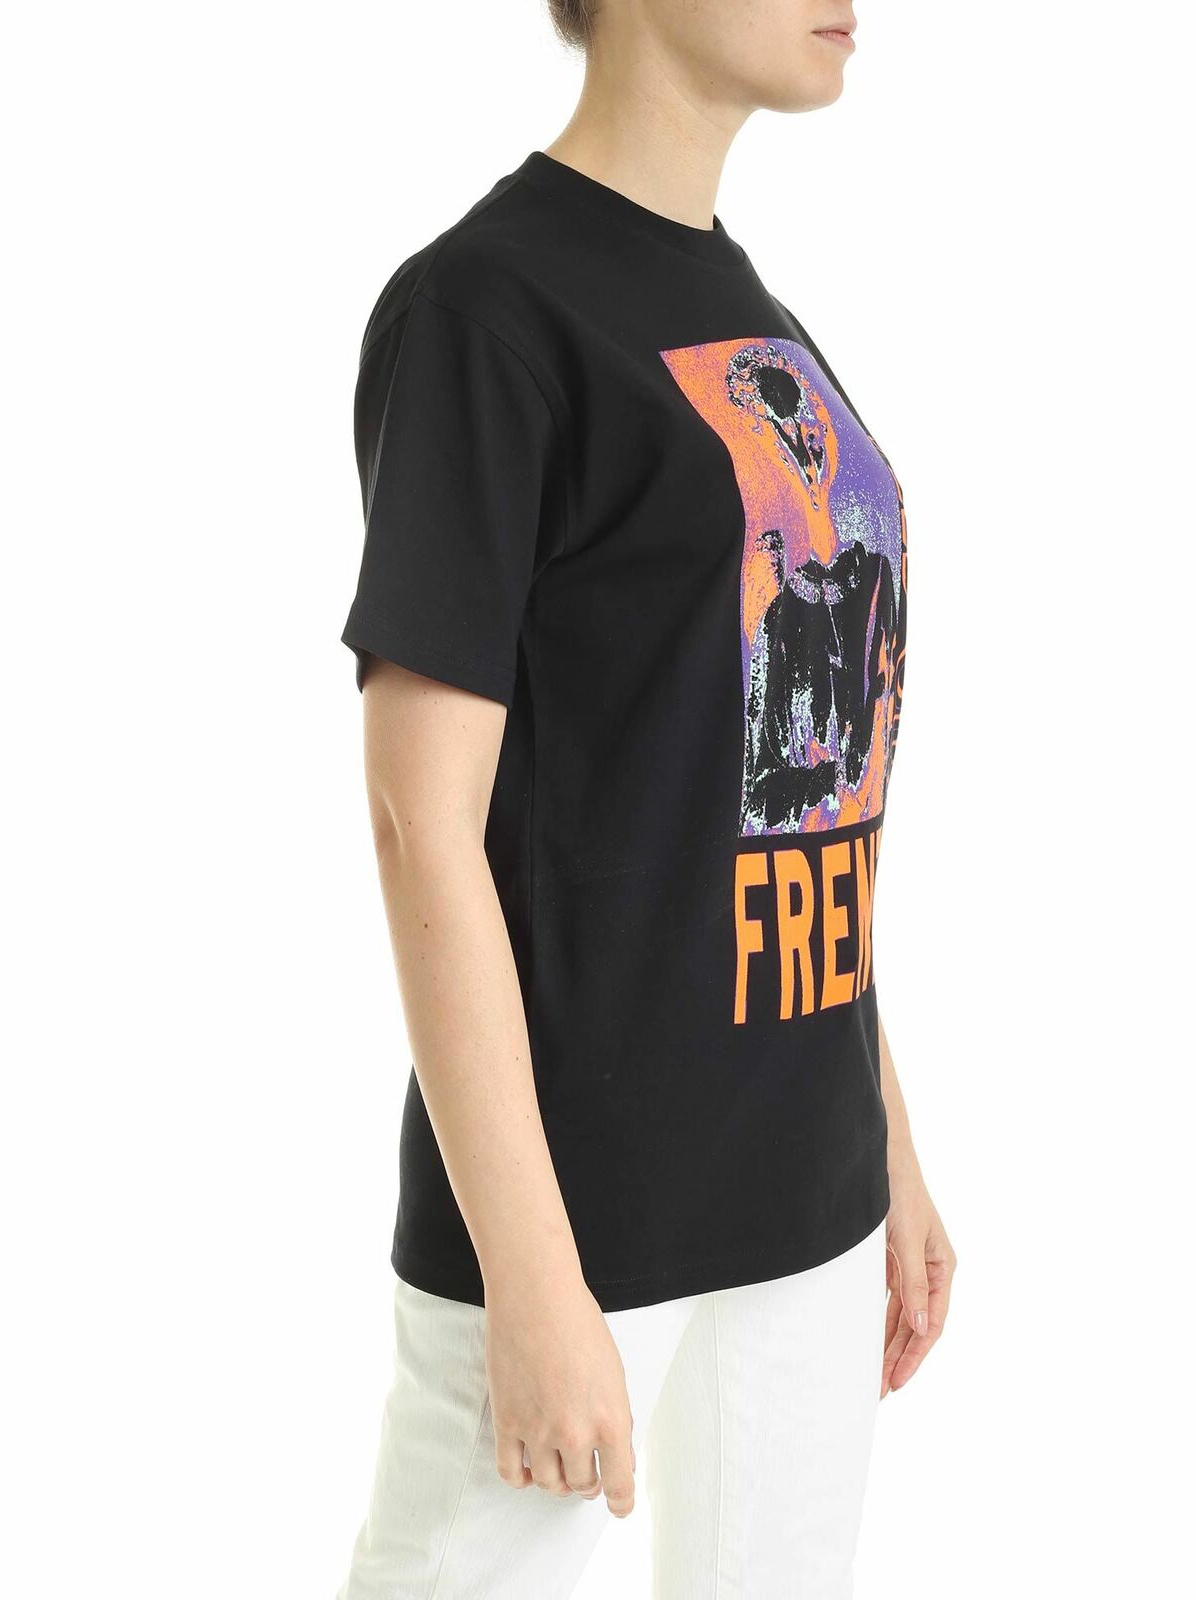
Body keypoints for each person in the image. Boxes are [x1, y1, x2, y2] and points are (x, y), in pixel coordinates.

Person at [336, 1, 955, 1594]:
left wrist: (888, 1140)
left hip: (807, 1189)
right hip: (578, 1204)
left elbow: (789, 793)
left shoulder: (758, 322)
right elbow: (420, 820)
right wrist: (530, 1273)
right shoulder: (486, 313)